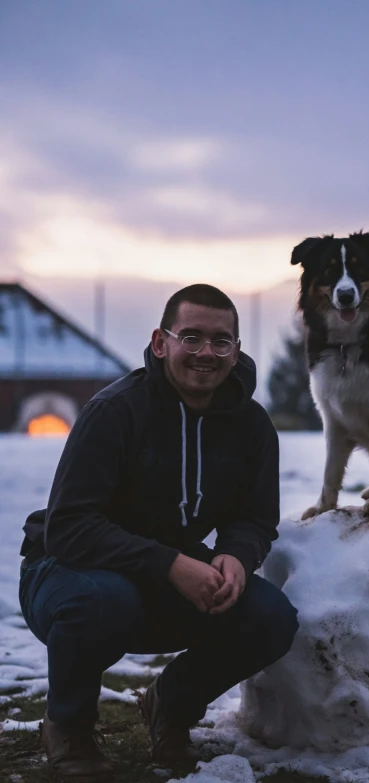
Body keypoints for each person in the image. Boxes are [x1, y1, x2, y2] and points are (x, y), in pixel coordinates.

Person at [19, 284, 298, 778]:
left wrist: (236, 555)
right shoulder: (114, 411)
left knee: (270, 616)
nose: (205, 353)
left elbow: (254, 518)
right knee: (105, 600)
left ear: (236, 350)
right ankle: (69, 727)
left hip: (169, 570)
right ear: (160, 341)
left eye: (220, 341)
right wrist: (169, 564)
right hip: (66, 571)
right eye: (191, 337)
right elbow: (69, 526)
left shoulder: (251, 425)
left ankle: (170, 705)